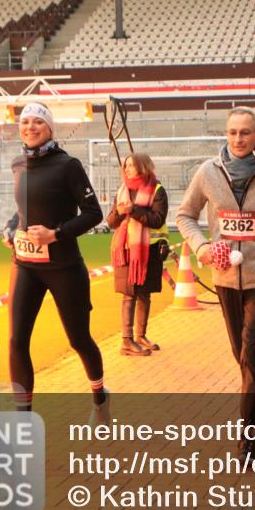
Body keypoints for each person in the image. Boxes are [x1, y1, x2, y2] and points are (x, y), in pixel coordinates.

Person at [176, 107, 255, 462]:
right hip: (225, 278)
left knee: (248, 355)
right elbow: (184, 215)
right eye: (232, 133)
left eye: (245, 132)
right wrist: (202, 246)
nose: (238, 139)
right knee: (242, 356)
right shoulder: (208, 172)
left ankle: (247, 439)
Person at [1, 103, 107, 424]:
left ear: (50, 128)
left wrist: (55, 234)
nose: (30, 127)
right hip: (25, 264)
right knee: (17, 340)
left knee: (78, 339)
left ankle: (100, 398)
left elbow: (93, 213)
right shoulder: (18, 163)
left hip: (63, 267)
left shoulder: (68, 165)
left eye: (38, 122)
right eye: (25, 122)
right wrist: (10, 227)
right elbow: (24, 210)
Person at [107, 153, 169, 357]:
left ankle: (141, 336)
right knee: (129, 294)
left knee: (144, 293)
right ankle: (127, 340)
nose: (127, 169)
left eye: (132, 166)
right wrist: (119, 211)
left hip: (149, 251)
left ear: (143, 167)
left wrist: (133, 210)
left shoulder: (157, 190)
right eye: (126, 166)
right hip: (126, 251)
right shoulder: (122, 190)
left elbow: (157, 219)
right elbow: (111, 222)